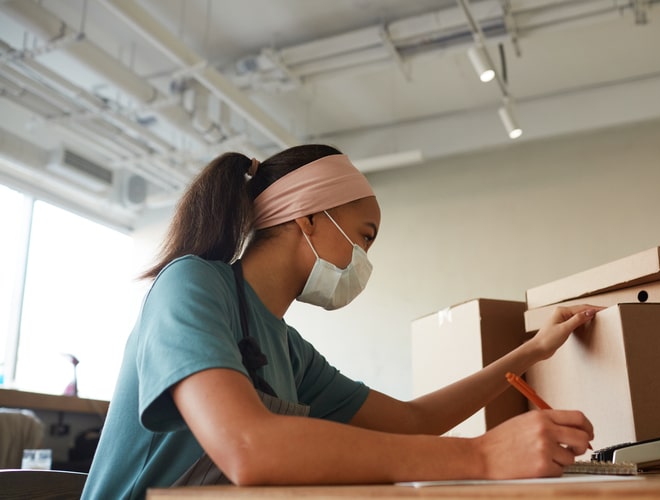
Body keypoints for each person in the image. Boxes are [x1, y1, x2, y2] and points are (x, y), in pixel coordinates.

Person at [82, 144, 600, 499]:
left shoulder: (289, 350)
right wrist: (482, 457)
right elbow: (247, 447)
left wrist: (532, 352)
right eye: (365, 235)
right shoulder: (191, 284)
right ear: (307, 217)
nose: (365, 259)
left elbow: (416, 422)